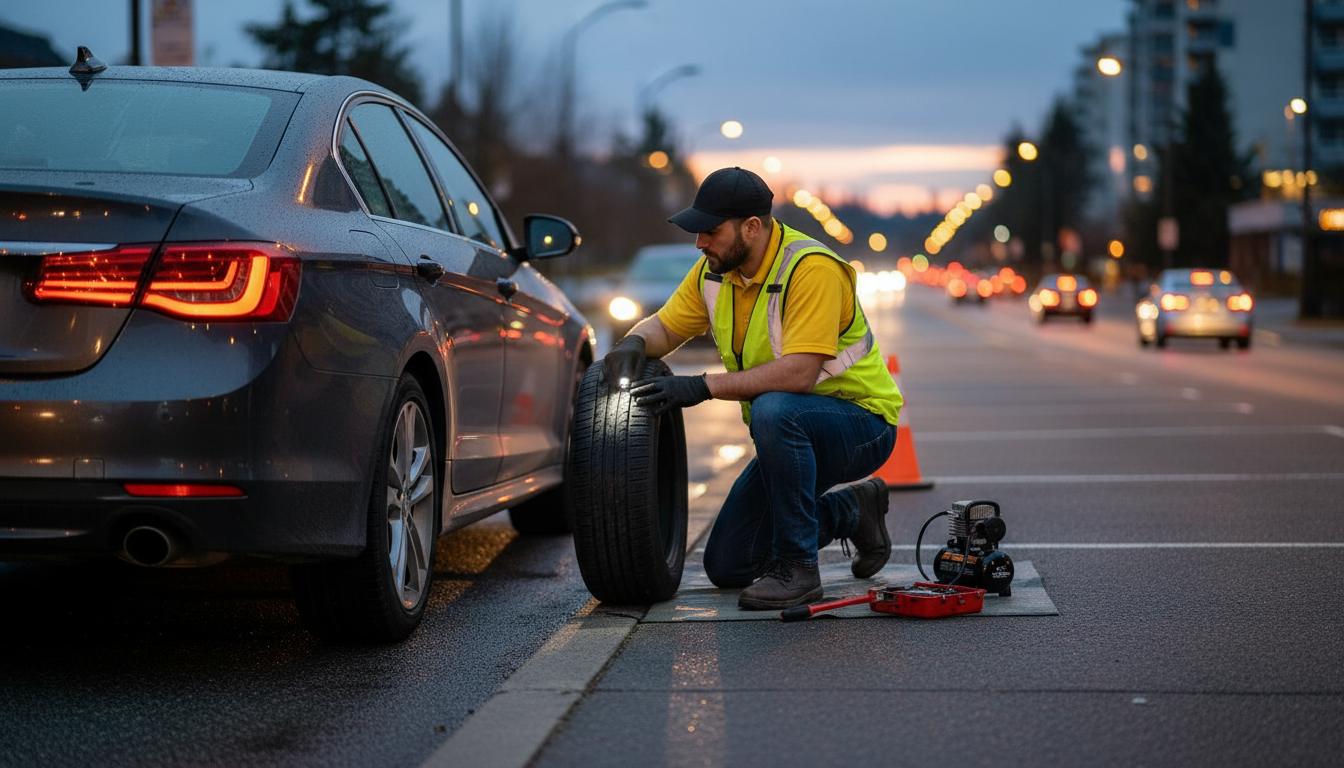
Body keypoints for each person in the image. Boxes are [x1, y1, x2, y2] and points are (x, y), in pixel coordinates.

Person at [602, 167, 903, 610]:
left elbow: (799, 375)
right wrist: (633, 341)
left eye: (710, 231)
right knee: (728, 564)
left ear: (752, 227)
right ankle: (854, 512)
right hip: (790, 432)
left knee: (774, 409)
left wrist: (700, 387)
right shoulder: (715, 272)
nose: (700, 242)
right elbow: (666, 325)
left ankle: (799, 568)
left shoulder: (810, 269)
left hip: (861, 423)